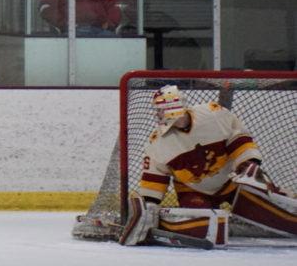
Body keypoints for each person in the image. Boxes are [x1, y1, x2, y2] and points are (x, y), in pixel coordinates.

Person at [120, 84, 297, 247]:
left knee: (273, 204)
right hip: (192, 190)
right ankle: (166, 225)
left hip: (231, 180)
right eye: (158, 110)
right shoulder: (157, 142)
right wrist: (150, 204)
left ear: (176, 109)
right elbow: (155, 177)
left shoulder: (212, 114)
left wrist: (248, 163)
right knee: (206, 225)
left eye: (162, 110)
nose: (158, 115)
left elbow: (237, 137)